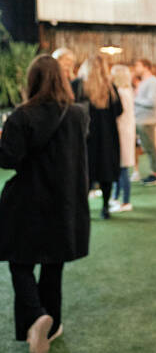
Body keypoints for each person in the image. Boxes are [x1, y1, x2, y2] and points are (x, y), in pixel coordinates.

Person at [0, 55, 89, 353]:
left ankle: (37, 317)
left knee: (19, 263)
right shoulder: (77, 115)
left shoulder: (21, 116)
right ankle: (52, 326)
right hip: (63, 204)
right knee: (53, 266)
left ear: (32, 79)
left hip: (26, 202)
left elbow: (8, 159)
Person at [73, 55, 122, 219]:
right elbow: (119, 111)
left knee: (85, 172)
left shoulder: (78, 86)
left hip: (85, 138)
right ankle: (105, 207)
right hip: (107, 137)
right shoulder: (110, 88)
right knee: (105, 172)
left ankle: (82, 208)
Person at [133, 58, 156, 185]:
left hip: (147, 121)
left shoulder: (153, 81)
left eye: (138, 65)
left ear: (146, 67)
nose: (136, 68)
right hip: (141, 119)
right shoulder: (145, 82)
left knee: (151, 148)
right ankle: (153, 172)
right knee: (146, 148)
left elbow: (152, 102)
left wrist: (134, 99)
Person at [110, 64, 135, 213]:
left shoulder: (121, 92)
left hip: (122, 133)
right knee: (120, 167)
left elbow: (119, 114)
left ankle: (125, 201)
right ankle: (116, 197)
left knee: (122, 168)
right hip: (125, 131)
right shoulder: (127, 91)